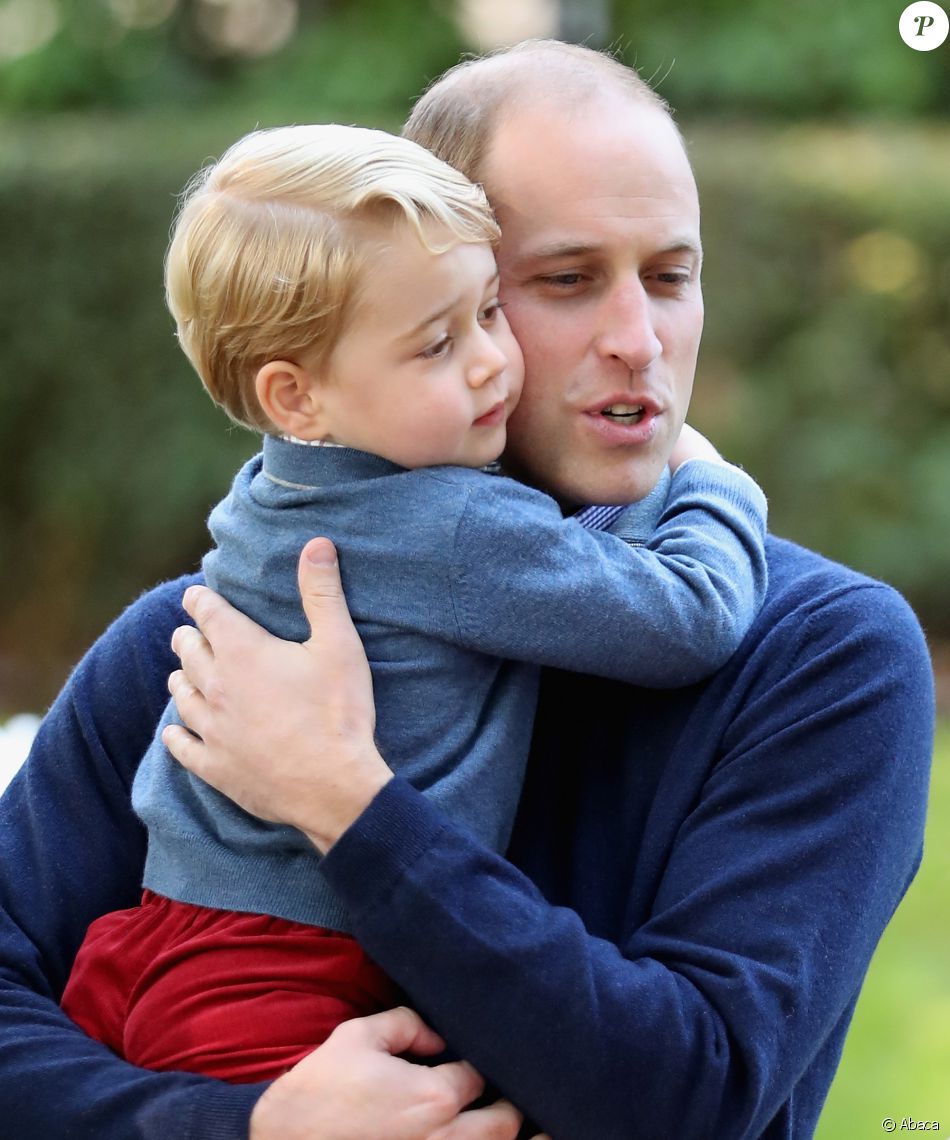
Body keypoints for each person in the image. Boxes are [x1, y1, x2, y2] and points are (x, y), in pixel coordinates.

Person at [0, 38, 934, 1140]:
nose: (638, 341)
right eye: (563, 281)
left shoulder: (821, 656)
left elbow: (692, 1092)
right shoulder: (217, 648)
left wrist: (345, 801)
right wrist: (249, 1129)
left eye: (670, 276)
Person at [58, 121, 768, 1083]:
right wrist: (711, 480)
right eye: (438, 343)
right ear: (296, 397)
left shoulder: (278, 493)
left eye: (488, 312)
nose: (488, 363)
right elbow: (689, 616)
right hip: (286, 972)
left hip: (162, 938)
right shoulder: (446, 525)